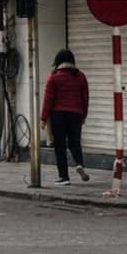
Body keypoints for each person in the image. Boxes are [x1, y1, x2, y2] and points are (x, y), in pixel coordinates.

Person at [40, 48, 90, 186]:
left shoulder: (54, 76)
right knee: (75, 142)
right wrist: (84, 114)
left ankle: (64, 177)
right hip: (76, 114)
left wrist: (43, 118)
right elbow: (85, 98)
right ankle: (79, 164)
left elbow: (48, 99)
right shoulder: (81, 76)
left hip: (58, 115)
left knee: (60, 146)